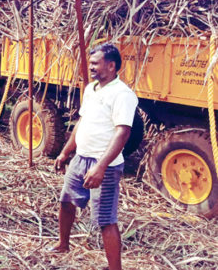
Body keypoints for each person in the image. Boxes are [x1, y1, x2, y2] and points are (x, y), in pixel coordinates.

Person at [50, 43, 138, 270]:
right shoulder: (91, 89)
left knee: (106, 219)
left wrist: (100, 166)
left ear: (111, 65)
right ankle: (63, 244)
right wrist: (65, 151)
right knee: (66, 201)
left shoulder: (123, 94)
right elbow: (82, 122)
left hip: (104, 165)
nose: (91, 67)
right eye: (90, 63)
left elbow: (123, 132)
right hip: (81, 158)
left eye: (95, 63)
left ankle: (114, 268)